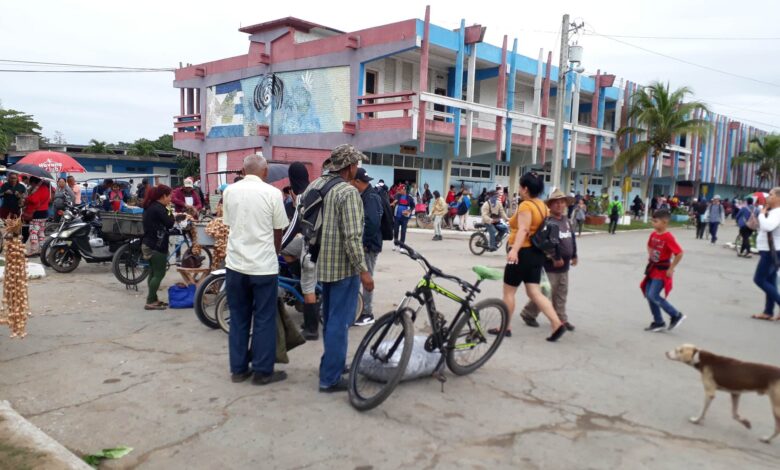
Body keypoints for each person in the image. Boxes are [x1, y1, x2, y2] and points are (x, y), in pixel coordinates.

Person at [302, 144, 373, 393]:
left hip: (321, 263)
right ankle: (330, 378)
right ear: (350, 166)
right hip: (343, 268)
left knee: (331, 318)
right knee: (339, 323)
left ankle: (331, 365)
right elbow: (353, 238)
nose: (358, 168)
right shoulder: (347, 192)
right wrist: (364, 271)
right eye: (357, 164)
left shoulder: (315, 185)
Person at [222, 155, 289, 385]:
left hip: (235, 265)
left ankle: (238, 370)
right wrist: (275, 252)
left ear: (243, 169)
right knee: (264, 318)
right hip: (263, 267)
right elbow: (278, 230)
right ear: (265, 171)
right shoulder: (273, 193)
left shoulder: (230, 191)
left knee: (239, 317)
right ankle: (262, 371)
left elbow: (229, 224)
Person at [491, 172, 566, 342]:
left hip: (522, 252)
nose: (519, 189)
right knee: (534, 292)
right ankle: (556, 323)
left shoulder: (526, 206)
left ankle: (505, 327)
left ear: (525, 189)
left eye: (520, 186)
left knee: (509, 292)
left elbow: (524, 230)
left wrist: (514, 251)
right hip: (536, 254)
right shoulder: (542, 206)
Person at [520, 190, 578, 331]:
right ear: (550, 205)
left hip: (564, 268)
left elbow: (572, 238)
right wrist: (554, 257)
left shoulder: (566, 221)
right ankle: (528, 313)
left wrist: (574, 254)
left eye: (562, 202)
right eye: (556, 202)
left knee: (561, 293)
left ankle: (561, 319)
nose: (559, 205)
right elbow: (542, 242)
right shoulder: (547, 222)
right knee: (545, 293)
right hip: (550, 267)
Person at [279, 163, 319, 340]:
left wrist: (276, 244)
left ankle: (311, 329)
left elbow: (294, 225)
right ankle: (297, 279)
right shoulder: (313, 190)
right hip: (312, 240)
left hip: (313, 245)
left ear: (292, 179)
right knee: (287, 249)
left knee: (308, 286)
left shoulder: (302, 196)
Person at [641, 209, 686, 332]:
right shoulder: (654, 234)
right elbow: (649, 245)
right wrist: (650, 254)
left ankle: (676, 314)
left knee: (653, 294)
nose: (653, 223)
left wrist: (671, 268)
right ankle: (658, 321)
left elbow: (679, 253)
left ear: (664, 222)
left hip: (662, 270)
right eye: (652, 220)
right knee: (649, 295)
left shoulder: (668, 237)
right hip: (652, 268)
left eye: (655, 221)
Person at [351, 167, 383, 327]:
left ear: (357, 181)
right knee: (362, 278)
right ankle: (360, 309)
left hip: (369, 246)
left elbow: (372, 223)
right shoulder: (367, 195)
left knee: (366, 278)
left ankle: (368, 313)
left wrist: (363, 242)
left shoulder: (370, 197)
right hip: (369, 244)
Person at [141, 185, 175, 311]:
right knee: (159, 273)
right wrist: (170, 209)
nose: (170, 198)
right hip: (156, 246)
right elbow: (170, 222)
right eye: (169, 196)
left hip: (148, 243)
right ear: (163, 196)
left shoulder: (151, 206)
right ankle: (150, 301)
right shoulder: (159, 208)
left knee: (153, 272)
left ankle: (153, 299)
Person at [751, 188, 780, 321]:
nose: (768, 197)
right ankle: (768, 311)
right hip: (769, 249)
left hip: (772, 251)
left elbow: (768, 227)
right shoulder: (773, 212)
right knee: (770, 281)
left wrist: (762, 214)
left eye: (771, 195)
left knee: (759, 279)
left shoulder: (777, 212)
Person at [22, 177, 51, 256]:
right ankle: (42, 250)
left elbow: (34, 200)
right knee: (41, 232)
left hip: (36, 213)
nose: (31, 185)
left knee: (33, 232)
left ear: (34, 182)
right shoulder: (46, 188)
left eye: (31, 183)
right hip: (44, 213)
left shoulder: (39, 189)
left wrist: (28, 198)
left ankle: (33, 250)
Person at [391, 184, 414, 251]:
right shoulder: (397, 195)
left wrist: (409, 211)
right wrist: (393, 203)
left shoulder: (410, 198)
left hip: (405, 217)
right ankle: (395, 244)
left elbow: (413, 206)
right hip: (397, 216)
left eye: (400, 189)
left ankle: (402, 246)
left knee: (403, 231)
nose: (399, 190)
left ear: (404, 190)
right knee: (396, 230)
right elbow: (395, 200)